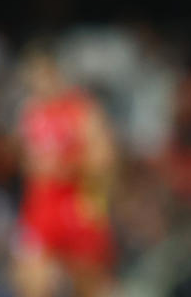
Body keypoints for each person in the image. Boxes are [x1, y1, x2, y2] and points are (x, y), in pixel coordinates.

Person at [13, 41, 117, 297]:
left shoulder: (80, 109)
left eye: (43, 73)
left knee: (90, 286)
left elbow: (105, 159)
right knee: (31, 283)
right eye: (33, 75)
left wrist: (65, 166)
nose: (38, 81)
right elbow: (29, 162)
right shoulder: (30, 112)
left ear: (56, 72)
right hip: (40, 208)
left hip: (78, 205)